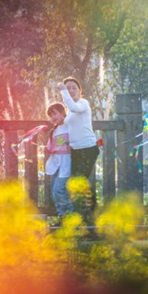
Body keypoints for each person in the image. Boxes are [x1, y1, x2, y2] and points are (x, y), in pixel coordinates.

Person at [58, 77, 99, 212]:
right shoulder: (69, 113)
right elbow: (70, 133)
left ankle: (91, 211)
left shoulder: (83, 103)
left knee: (80, 181)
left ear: (79, 90)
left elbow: (73, 107)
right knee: (76, 183)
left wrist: (63, 91)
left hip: (88, 149)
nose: (70, 90)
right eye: (67, 88)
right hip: (75, 150)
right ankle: (85, 213)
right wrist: (56, 141)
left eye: (73, 88)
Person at [45, 102, 73, 216]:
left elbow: (71, 143)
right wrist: (49, 149)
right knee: (54, 192)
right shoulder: (54, 131)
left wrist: (62, 147)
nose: (53, 117)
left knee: (58, 190)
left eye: (55, 114)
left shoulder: (69, 126)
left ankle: (70, 214)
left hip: (66, 163)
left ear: (63, 113)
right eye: (50, 116)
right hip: (56, 164)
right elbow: (51, 146)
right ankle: (62, 214)